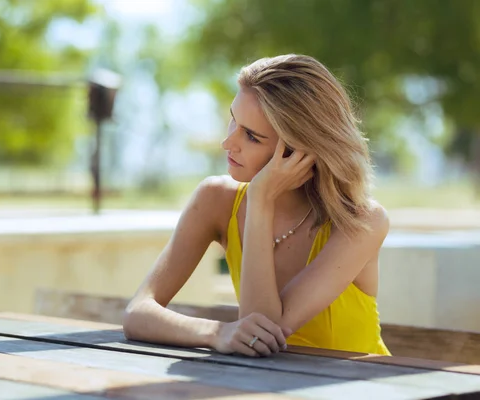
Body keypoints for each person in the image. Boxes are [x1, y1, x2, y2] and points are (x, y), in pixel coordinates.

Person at [122, 54, 391, 357]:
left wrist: (261, 200)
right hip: (257, 385)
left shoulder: (362, 221)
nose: (227, 143)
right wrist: (217, 332)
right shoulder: (215, 200)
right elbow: (138, 312)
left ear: (298, 151)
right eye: (233, 120)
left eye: (251, 136)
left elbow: (263, 332)